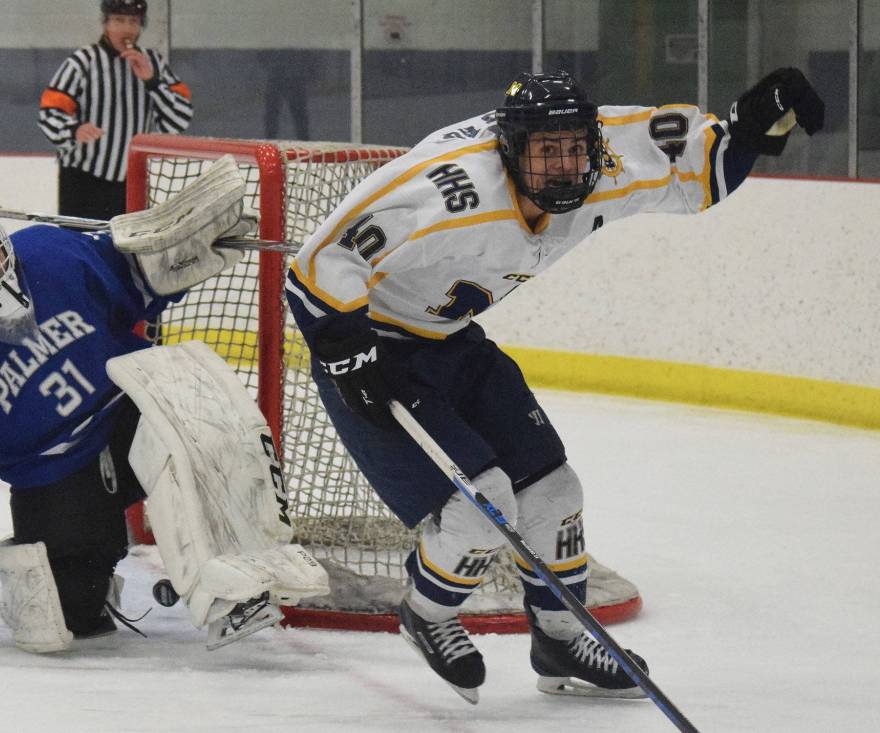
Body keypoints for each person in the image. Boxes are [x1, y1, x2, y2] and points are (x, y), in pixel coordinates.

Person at [284, 68, 824, 703]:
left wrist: (750, 124)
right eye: (546, 152)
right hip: (381, 354)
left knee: (554, 492)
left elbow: (697, 163)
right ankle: (426, 614)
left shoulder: (595, 165)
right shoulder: (449, 189)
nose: (564, 167)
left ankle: (560, 639)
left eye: (573, 147)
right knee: (481, 509)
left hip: (452, 342)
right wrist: (350, 354)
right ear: (510, 152)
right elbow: (319, 263)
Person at [0, 163, 327, 655]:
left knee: (200, 422)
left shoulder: (47, 253)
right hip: (56, 469)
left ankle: (239, 587)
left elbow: (131, 278)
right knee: (71, 618)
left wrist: (164, 257)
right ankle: (78, 579)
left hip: (135, 408)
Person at [38, 0, 193, 220]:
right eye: (119, 21)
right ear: (106, 24)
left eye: (133, 21)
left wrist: (152, 82)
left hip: (133, 183)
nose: (127, 29)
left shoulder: (154, 63)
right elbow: (49, 112)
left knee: (126, 252)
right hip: (83, 180)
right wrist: (74, 129)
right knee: (81, 248)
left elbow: (179, 121)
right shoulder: (83, 61)